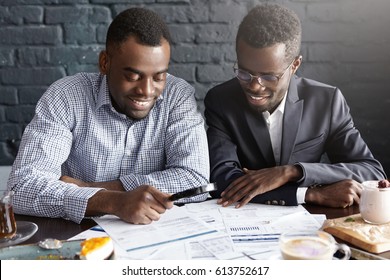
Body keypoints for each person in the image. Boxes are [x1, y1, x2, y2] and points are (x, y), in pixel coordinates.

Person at [7, 7, 209, 224]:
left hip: (152, 234)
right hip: (79, 235)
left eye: (159, 77)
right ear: (105, 63)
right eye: (133, 76)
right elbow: (22, 188)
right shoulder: (66, 96)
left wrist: (90, 189)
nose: (147, 90)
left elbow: (195, 180)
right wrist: (113, 202)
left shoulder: (178, 96)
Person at [204, 3, 386, 209]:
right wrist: (308, 194)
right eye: (244, 73)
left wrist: (292, 171)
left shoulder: (327, 101)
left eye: (269, 76)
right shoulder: (220, 100)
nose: (255, 86)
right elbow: (221, 181)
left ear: (295, 65)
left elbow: (371, 172)